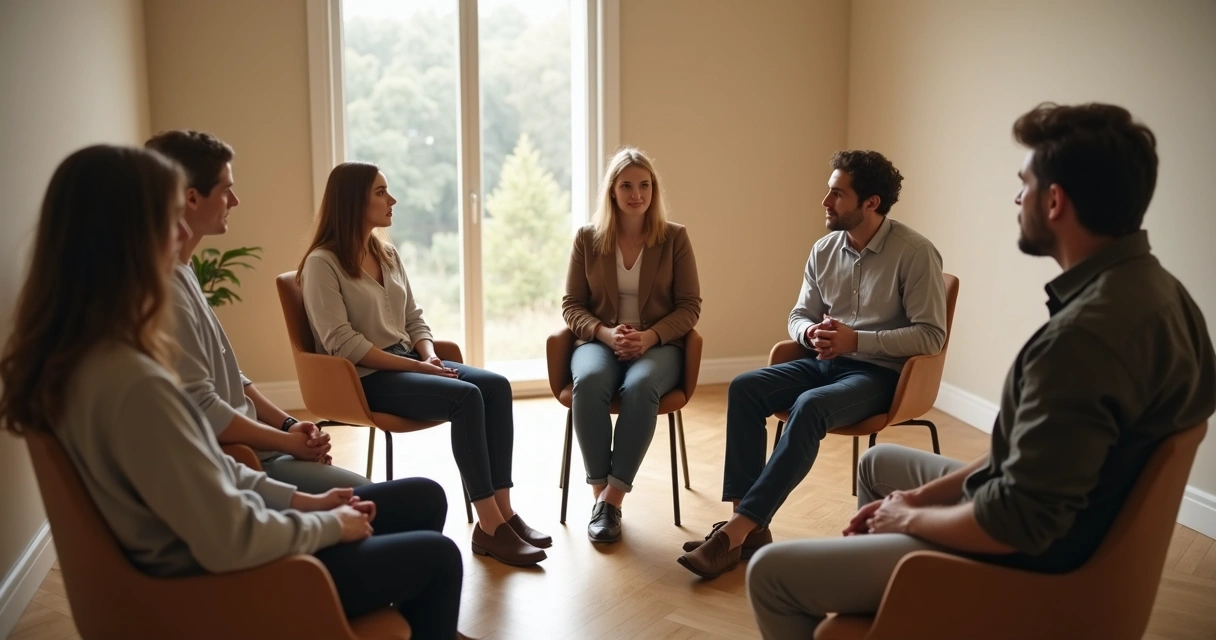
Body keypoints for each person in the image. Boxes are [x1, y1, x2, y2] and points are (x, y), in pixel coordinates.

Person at [744, 103, 1216, 638]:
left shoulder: (1081, 340)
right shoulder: (1165, 295)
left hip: (1032, 566)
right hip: (1068, 513)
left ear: (1055, 201)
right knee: (880, 469)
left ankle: (888, 591)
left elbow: (1017, 520)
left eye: (1025, 184)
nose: (1018, 198)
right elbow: (1033, 456)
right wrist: (917, 499)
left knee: (770, 575)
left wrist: (910, 519)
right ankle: (885, 611)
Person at [0, 145, 466, 639]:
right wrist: (329, 526)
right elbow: (228, 537)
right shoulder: (133, 384)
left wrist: (310, 503)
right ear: (125, 237)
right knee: (436, 557)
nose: (182, 235)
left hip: (224, 555)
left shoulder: (84, 359)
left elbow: (211, 470)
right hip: (225, 586)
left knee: (419, 499)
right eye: (169, 218)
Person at [679, 150, 947, 579]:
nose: (825, 201)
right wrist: (810, 334)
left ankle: (733, 534)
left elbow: (931, 336)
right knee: (745, 387)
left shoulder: (915, 253)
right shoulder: (823, 250)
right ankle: (747, 528)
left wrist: (856, 339)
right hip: (823, 362)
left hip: (880, 376)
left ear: (870, 203)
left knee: (810, 407)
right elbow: (799, 314)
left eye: (837, 194)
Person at [297, 161, 549, 566]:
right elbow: (341, 344)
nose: (391, 199)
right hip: (364, 377)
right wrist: (417, 368)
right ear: (352, 201)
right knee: (466, 398)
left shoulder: (388, 253)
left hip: (408, 361)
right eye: (381, 192)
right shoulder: (321, 264)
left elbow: (414, 318)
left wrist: (429, 355)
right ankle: (488, 527)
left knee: (496, 386)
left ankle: (504, 512)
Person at [146, 129, 370, 493]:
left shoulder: (184, 273)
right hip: (246, 463)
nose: (234, 201)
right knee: (412, 501)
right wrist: (285, 442)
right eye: (224, 190)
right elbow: (203, 406)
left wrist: (288, 426)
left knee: (405, 499)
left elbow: (231, 377)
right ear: (191, 199)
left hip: (267, 450)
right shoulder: (166, 293)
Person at [562, 146, 701, 542]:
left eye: (644, 185)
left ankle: (615, 499)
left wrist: (650, 336)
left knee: (640, 387)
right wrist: (605, 334)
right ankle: (598, 496)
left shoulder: (674, 238)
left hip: (659, 344)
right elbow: (571, 305)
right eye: (626, 185)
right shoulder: (588, 239)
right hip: (600, 340)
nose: (636, 194)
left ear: (654, 190)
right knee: (588, 383)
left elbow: (690, 306)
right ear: (612, 191)